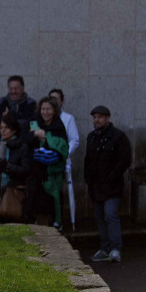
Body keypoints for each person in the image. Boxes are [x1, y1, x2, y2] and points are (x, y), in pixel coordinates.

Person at [84, 106, 132, 263]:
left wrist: (112, 177)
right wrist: (88, 180)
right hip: (96, 186)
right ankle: (105, 248)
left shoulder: (118, 137)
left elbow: (124, 160)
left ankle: (115, 248)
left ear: (107, 118)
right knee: (100, 217)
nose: (96, 120)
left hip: (112, 186)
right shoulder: (92, 137)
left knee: (110, 214)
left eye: (100, 117)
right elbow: (88, 160)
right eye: (94, 117)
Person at [22, 96, 68, 230]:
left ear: (54, 110)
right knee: (33, 198)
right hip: (35, 170)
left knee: (52, 200)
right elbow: (24, 139)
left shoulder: (59, 126)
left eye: (48, 109)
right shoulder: (34, 123)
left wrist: (46, 138)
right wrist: (36, 134)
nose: (45, 112)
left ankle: (54, 225)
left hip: (53, 172)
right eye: (43, 109)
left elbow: (62, 147)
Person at [0, 113, 32, 224]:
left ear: (14, 129)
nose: (3, 131)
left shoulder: (22, 147)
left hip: (12, 189)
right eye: (1, 128)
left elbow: (26, 169)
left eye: (6, 127)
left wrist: (9, 167)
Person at [48, 88, 80, 229]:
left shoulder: (67, 118)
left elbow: (74, 140)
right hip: (45, 160)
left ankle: (58, 221)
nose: (54, 102)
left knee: (58, 190)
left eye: (56, 99)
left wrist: (63, 153)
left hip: (60, 160)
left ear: (62, 101)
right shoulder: (43, 116)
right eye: (51, 99)